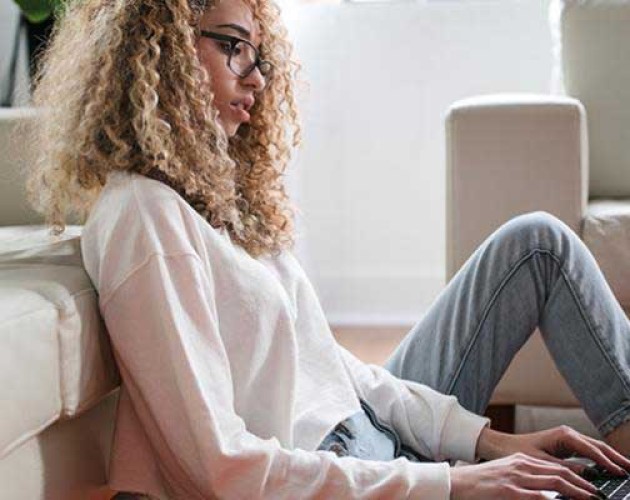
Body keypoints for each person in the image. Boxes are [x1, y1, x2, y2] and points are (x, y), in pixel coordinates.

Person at [25, 0, 630, 498]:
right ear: (159, 51)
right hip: (335, 474)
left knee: (537, 244)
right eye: (231, 45)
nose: (256, 77)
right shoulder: (144, 215)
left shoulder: (222, 203)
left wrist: (487, 443)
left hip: (370, 441)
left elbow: (336, 370)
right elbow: (218, 467)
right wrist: (449, 483)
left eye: (258, 56)